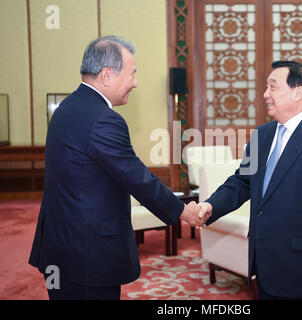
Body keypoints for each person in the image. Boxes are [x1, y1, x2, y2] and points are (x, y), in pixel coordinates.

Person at [29, 35, 208, 300]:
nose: (135, 83)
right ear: (107, 75)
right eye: (132, 74)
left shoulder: (67, 107)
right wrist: (184, 212)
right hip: (87, 255)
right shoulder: (103, 120)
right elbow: (137, 178)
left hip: (61, 247)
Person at [198, 60, 302, 300]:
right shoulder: (261, 135)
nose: (265, 94)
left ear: (298, 92)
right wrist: (210, 206)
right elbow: (242, 182)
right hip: (263, 263)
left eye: (272, 87)